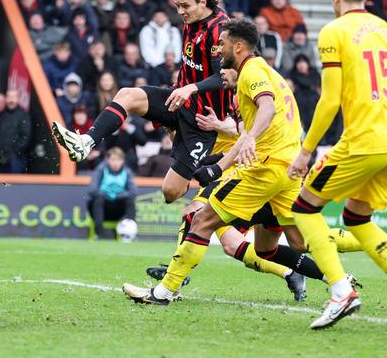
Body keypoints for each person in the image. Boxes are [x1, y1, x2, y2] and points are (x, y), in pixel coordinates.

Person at [122, 18, 309, 306]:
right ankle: (341, 272)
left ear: (238, 47)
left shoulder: (250, 75)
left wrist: (231, 142)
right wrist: (218, 163)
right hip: (275, 165)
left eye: (221, 44)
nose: (218, 52)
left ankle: (166, 289)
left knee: (201, 219)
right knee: (296, 241)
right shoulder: (258, 79)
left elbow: (262, 115)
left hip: (262, 166)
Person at [286, 0, 387, 330]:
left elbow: (330, 99)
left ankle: (340, 291)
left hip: (362, 141)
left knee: (303, 208)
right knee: (357, 219)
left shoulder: (333, 31)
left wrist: (306, 150)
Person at [54, 0, 230, 204]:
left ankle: (208, 167)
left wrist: (191, 88)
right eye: (177, 5)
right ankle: (85, 143)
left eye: (185, 6)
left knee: (170, 193)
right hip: (178, 100)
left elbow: (224, 77)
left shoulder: (219, 30)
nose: (180, 11)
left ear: (203, 2)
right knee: (127, 94)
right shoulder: (191, 6)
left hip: (204, 118)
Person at [86, 147, 137, 239]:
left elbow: (133, 192)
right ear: (108, 160)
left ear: (123, 161)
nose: (115, 163)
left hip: (118, 210)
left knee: (130, 200)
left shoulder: (127, 172)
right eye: (113, 160)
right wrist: (107, 195)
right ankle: (99, 234)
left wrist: (115, 196)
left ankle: (128, 234)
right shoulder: (101, 169)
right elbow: (92, 190)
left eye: (118, 160)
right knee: (99, 198)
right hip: (100, 208)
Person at [0, 89, 31, 173]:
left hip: (16, 159)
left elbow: (25, 137)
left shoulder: (24, 116)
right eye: (9, 97)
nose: (11, 100)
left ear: (18, 99)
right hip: (0, 157)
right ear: (5, 98)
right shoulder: (1, 115)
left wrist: (13, 153)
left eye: (14, 97)